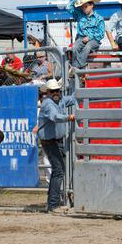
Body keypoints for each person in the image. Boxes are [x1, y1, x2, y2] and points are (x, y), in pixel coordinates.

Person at [35, 79, 76, 214]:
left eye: (57, 90)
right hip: (50, 141)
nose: (56, 93)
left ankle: (52, 202)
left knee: (58, 170)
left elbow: (75, 96)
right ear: (47, 92)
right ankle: (53, 204)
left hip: (55, 140)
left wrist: (78, 81)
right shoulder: (48, 104)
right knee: (59, 170)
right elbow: (55, 117)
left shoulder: (60, 100)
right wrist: (69, 117)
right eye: (53, 91)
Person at [67, 0, 105, 70]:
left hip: (94, 40)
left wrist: (89, 37)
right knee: (74, 47)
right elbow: (69, 7)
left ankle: (76, 67)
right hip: (81, 38)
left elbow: (101, 34)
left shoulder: (99, 19)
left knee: (88, 47)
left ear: (92, 5)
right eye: (82, 7)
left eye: (86, 6)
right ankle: (79, 68)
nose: (84, 9)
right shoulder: (79, 15)